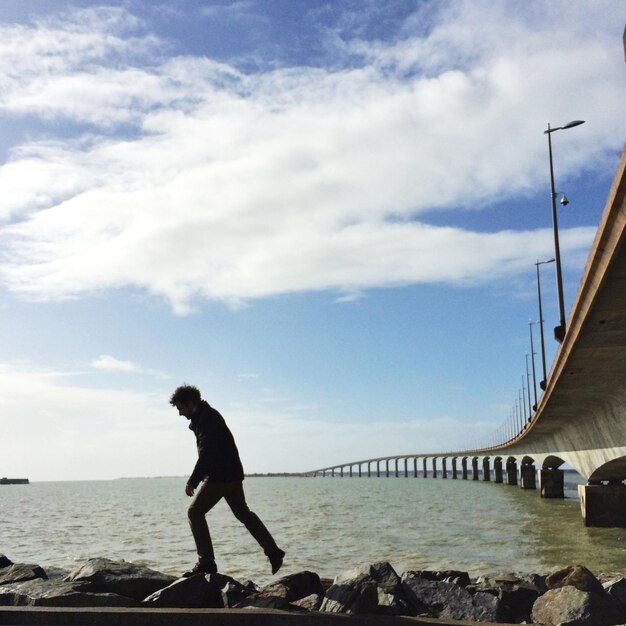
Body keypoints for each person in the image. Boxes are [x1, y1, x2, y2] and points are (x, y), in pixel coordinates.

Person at [170, 384, 285, 577]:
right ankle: (273, 552)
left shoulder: (207, 419)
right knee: (243, 513)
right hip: (231, 474)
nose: (180, 414)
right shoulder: (206, 416)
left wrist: (193, 480)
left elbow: (207, 453)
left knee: (195, 512)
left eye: (180, 408)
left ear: (190, 403)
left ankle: (206, 562)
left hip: (220, 475)